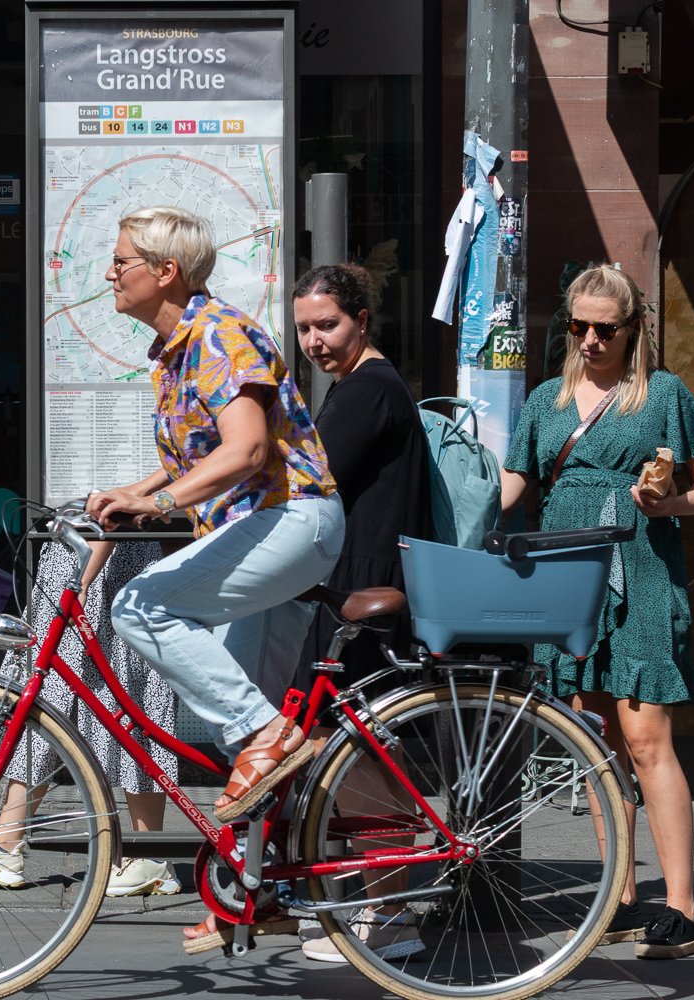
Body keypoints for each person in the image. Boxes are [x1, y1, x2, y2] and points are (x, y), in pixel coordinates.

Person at [86, 206, 346, 953]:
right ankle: (265, 889)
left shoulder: (221, 334)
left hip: (291, 521)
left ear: (164, 272)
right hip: (258, 533)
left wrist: (156, 502)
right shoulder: (175, 349)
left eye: (120, 260)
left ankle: (268, 736)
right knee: (254, 751)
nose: (110, 274)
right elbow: (190, 459)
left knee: (143, 607)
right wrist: (125, 494)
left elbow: (244, 448)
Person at [501, 263, 694, 960]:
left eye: (605, 327)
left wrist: (671, 503)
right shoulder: (544, 400)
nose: (590, 339)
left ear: (634, 329)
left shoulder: (664, 396)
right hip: (567, 573)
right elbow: (514, 482)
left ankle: (682, 906)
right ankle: (620, 899)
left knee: (646, 736)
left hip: (643, 570)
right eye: (579, 326)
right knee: (595, 748)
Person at [291, 262, 432, 963]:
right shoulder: (363, 386)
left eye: (328, 325)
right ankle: (367, 897)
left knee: (360, 747)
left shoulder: (368, 390)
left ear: (361, 321)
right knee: (344, 742)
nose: (315, 340)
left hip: (367, 589)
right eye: (305, 329)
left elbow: (304, 479)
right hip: (359, 581)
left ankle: (394, 910)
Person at [0, 539, 182, 898]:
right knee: (63, 695)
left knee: (106, 695)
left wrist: (82, 579)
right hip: (85, 560)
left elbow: (108, 499)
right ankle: (141, 850)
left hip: (97, 562)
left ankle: (145, 851)